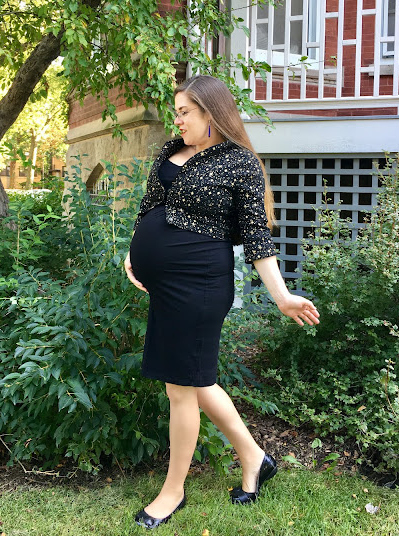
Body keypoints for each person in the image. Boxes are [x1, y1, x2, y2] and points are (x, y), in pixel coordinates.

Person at [124, 75, 319, 529]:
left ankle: (173, 492)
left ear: (211, 113)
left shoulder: (239, 163)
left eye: (184, 112)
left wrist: (281, 296)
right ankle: (254, 458)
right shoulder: (170, 151)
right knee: (196, 381)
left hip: (199, 286)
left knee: (180, 388)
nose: (177, 120)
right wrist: (133, 252)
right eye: (176, 111)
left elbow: (256, 237)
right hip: (165, 287)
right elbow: (149, 208)